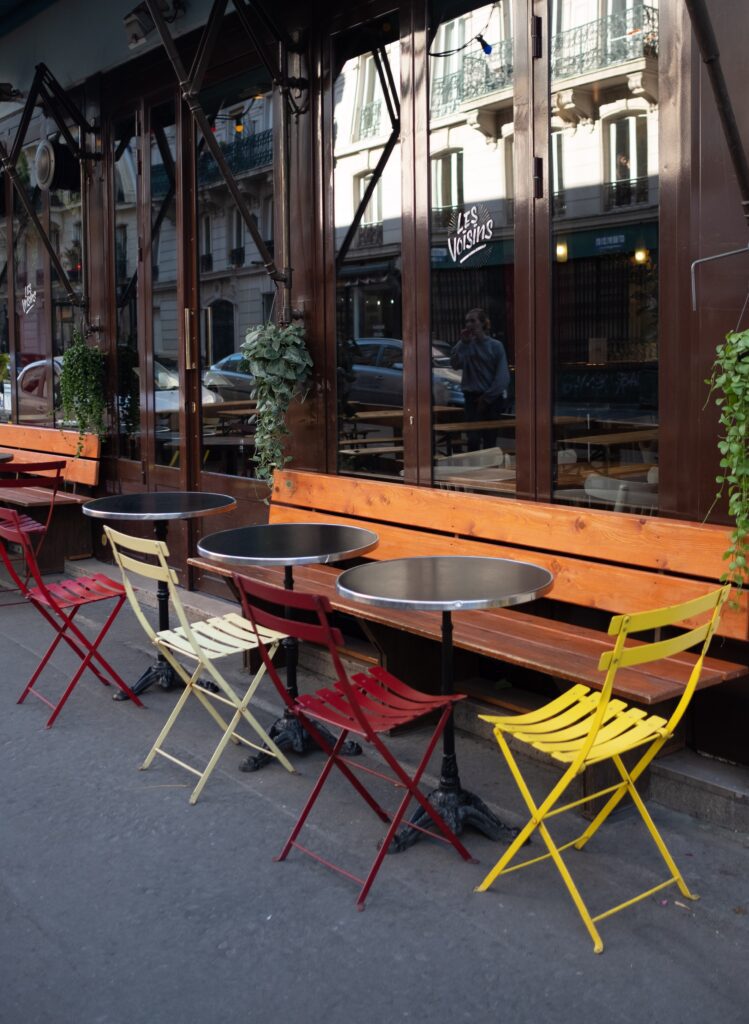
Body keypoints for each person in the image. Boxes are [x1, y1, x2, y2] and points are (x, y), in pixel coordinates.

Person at [450, 308, 509, 450]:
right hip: (471, 397)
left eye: (473, 320)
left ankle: (489, 471)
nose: (469, 324)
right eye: (467, 321)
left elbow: (502, 377)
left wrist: (487, 397)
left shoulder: (495, 346)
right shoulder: (465, 344)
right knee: (473, 439)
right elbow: (455, 364)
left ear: (483, 323)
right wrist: (463, 343)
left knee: (490, 439)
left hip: (491, 399)